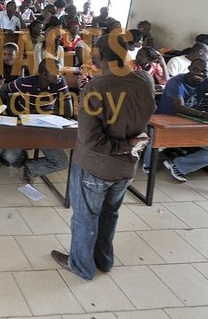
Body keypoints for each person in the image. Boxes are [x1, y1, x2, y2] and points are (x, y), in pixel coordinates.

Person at [50, 34, 155, 281]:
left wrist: (124, 143)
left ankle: (81, 266)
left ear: (98, 57)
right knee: (110, 215)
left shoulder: (96, 87)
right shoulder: (144, 79)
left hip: (96, 166)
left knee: (86, 218)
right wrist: (129, 144)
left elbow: (91, 139)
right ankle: (104, 261)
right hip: (127, 167)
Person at [147, 59, 208, 181]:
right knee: (156, 141)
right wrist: (207, 115)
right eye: (196, 70)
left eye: (205, 71)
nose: (200, 73)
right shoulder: (176, 82)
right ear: (189, 68)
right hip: (166, 124)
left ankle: (179, 165)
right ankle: (147, 165)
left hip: (192, 124)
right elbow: (179, 107)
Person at [1, 60, 73, 182]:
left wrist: (42, 114)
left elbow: (68, 112)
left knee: (61, 163)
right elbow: (3, 90)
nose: (60, 75)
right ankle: (19, 160)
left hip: (45, 129)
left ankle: (27, 167)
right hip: (23, 127)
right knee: (11, 157)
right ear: (44, 74)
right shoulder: (24, 83)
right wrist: (13, 114)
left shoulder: (59, 82)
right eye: (57, 72)